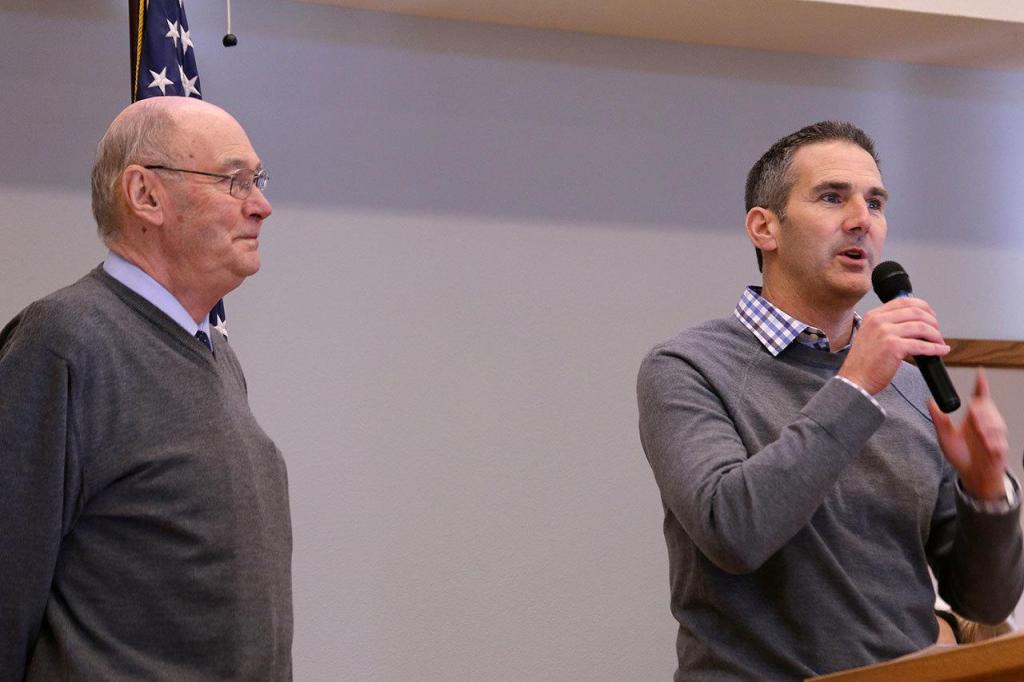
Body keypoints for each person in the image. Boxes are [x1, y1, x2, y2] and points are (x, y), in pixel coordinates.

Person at [636, 121, 1023, 680]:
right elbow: (734, 532)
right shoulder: (687, 366)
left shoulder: (909, 382)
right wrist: (855, 386)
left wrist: (987, 495)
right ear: (764, 227)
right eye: (832, 197)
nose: (861, 219)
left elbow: (984, 603)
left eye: (875, 202)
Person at [0, 97, 292, 680]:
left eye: (256, 181)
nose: (260, 206)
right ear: (145, 195)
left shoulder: (216, 353)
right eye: (234, 180)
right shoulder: (63, 340)